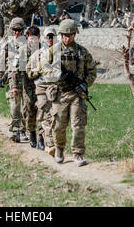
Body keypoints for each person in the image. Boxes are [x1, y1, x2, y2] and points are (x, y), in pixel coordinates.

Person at [40, 19, 97, 166]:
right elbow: (44, 68)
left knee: (78, 125)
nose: (68, 38)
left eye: (71, 35)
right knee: (59, 125)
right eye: (65, 35)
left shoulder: (82, 52)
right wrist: (57, 75)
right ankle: (59, 149)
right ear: (61, 34)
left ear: (75, 34)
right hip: (60, 94)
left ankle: (78, 153)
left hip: (77, 94)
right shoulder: (53, 51)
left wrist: (84, 84)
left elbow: (92, 71)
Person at [0, 17, 37, 144]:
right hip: (13, 78)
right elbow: (1, 61)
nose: (16, 32)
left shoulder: (29, 43)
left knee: (27, 105)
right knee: (14, 104)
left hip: (28, 78)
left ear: (23, 30)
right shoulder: (8, 45)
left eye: (19, 30)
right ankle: (15, 129)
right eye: (14, 30)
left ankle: (24, 129)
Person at [27, 27, 58, 154]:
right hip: (41, 87)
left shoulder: (62, 53)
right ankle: (45, 140)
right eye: (48, 37)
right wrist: (37, 70)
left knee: (56, 115)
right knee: (44, 113)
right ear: (44, 38)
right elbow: (29, 72)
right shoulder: (37, 54)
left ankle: (51, 139)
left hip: (56, 88)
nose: (50, 39)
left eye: (52, 37)